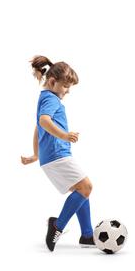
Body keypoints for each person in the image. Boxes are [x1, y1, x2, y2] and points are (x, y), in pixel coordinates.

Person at [21, 55, 95, 252]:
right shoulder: (51, 99)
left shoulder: (45, 98)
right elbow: (44, 121)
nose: (68, 92)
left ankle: (87, 235)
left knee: (81, 191)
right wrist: (64, 135)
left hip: (51, 157)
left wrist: (36, 155)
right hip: (57, 154)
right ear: (52, 82)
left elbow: (38, 127)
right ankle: (57, 225)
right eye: (65, 87)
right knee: (86, 187)